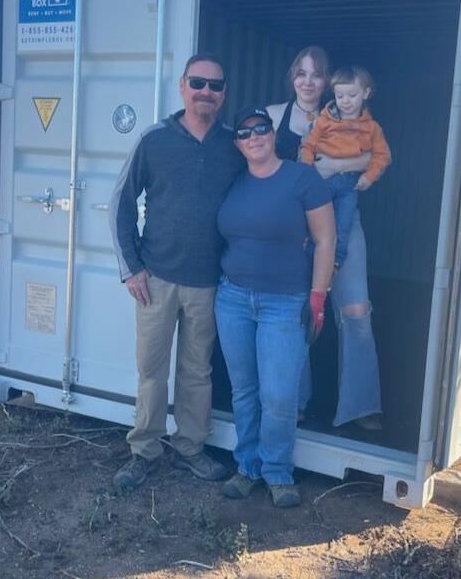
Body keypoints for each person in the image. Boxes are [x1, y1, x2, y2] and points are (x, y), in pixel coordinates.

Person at [109, 53, 245, 489]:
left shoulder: (234, 146)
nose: (207, 91)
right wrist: (132, 269)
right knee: (151, 370)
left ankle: (190, 448)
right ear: (183, 86)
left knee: (196, 371)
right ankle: (144, 450)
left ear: (223, 94)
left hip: (209, 282)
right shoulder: (154, 140)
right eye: (199, 83)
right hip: (157, 279)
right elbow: (120, 206)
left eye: (216, 85)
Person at [215, 106, 335, 507]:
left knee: (280, 395)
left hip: (285, 303)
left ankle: (278, 472)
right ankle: (247, 467)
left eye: (261, 129)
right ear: (238, 144)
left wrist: (318, 297)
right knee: (244, 390)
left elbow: (325, 241)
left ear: (273, 134)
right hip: (232, 298)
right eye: (245, 133)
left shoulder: (302, 178)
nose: (254, 137)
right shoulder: (232, 182)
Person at [267, 46, 383, 430]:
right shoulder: (272, 116)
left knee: (355, 312)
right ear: (292, 77)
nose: (308, 81)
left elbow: (377, 155)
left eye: (316, 75)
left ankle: (362, 406)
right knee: (296, 311)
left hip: (345, 224)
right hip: (295, 230)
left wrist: (335, 165)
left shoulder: (348, 114)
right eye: (301, 73)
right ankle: (296, 402)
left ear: (329, 82)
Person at [300, 66, 391, 269]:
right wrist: (308, 173)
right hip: (322, 182)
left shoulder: (372, 128)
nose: (345, 101)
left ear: (366, 93)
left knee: (343, 225)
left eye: (352, 95)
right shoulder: (324, 120)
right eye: (340, 96)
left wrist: (369, 176)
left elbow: (382, 155)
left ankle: (335, 264)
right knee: (312, 224)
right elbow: (308, 147)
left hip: (350, 185)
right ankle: (308, 261)